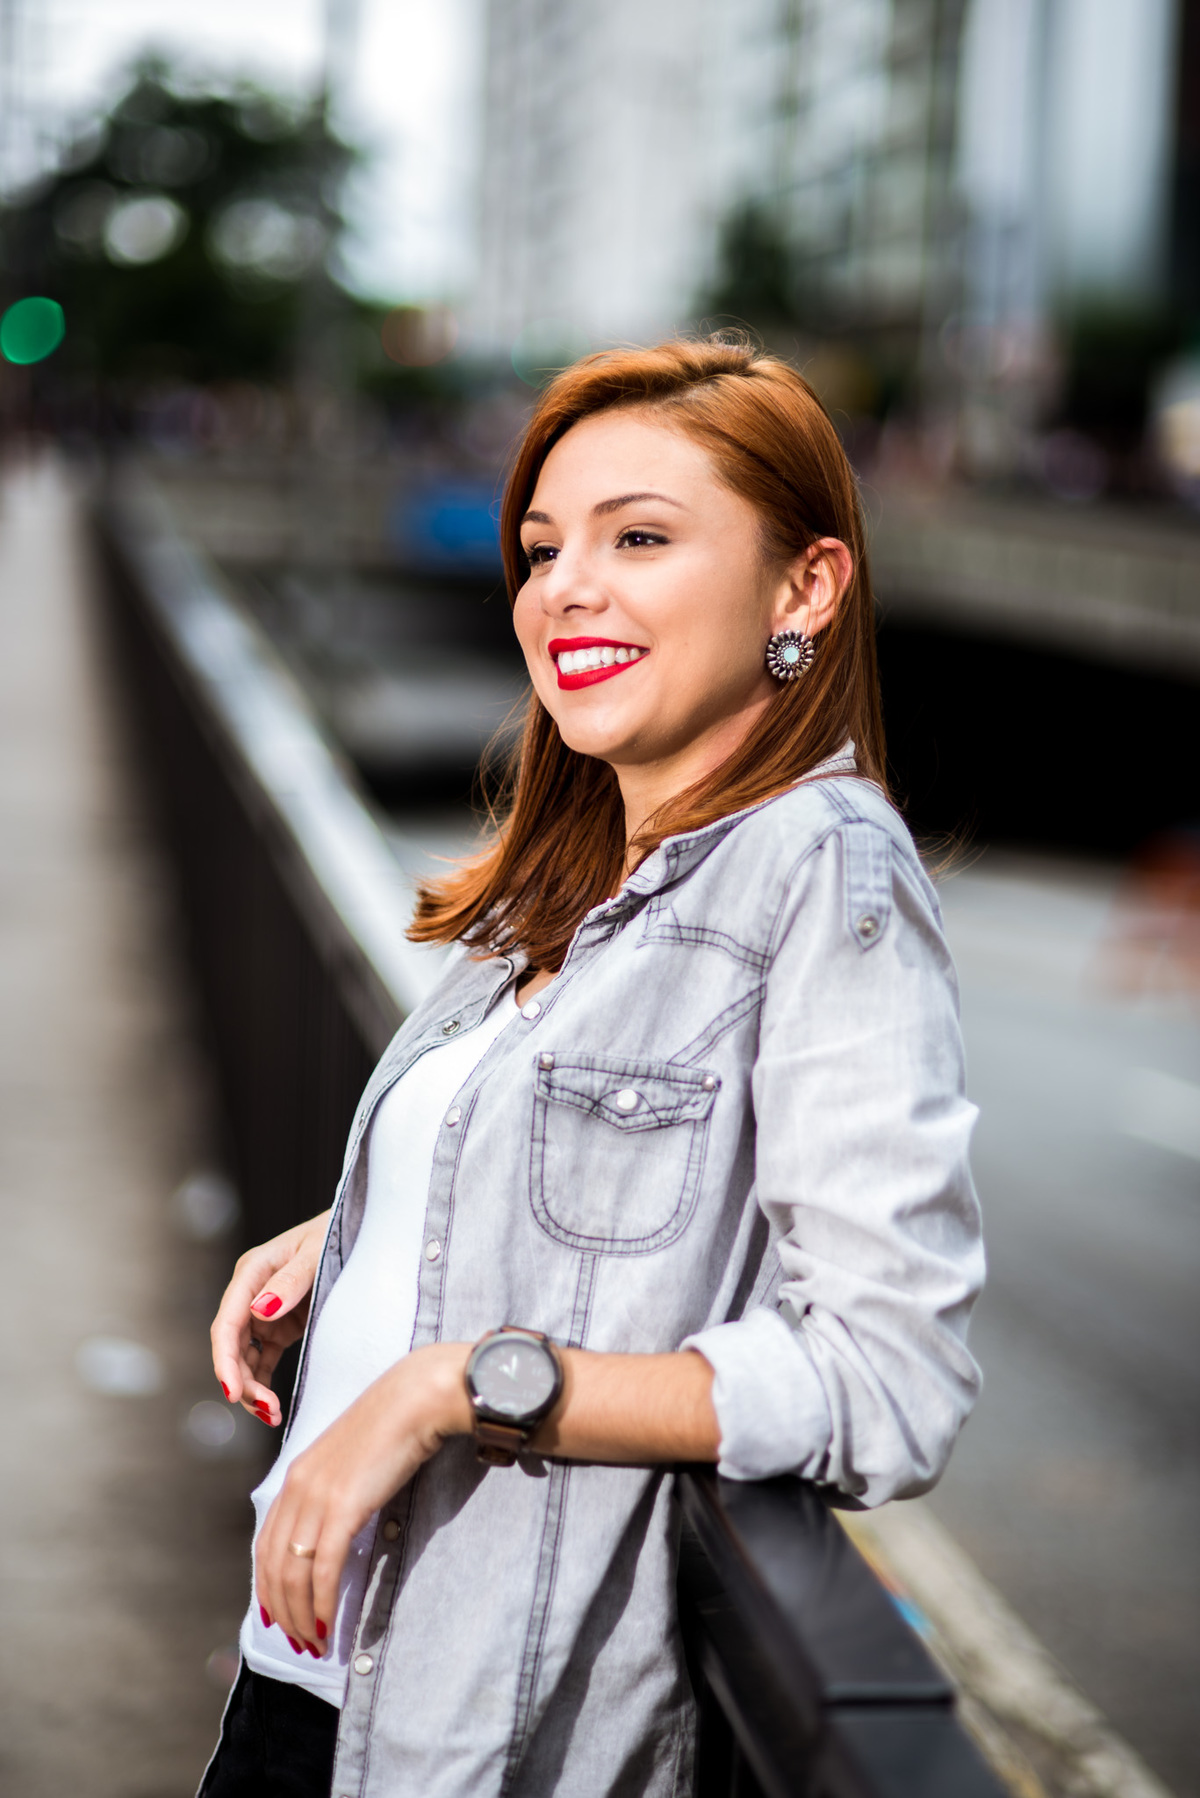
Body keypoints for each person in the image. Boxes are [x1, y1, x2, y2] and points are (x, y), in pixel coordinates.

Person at [202, 336, 983, 1798]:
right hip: (306, 1686)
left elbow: (889, 1375)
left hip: (485, 1748)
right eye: (544, 546)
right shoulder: (569, 878)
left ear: (804, 585)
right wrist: (369, 1217)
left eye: (640, 538)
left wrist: (456, 1383)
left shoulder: (823, 870)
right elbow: (608, 1174)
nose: (566, 586)